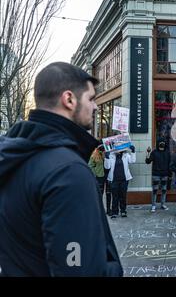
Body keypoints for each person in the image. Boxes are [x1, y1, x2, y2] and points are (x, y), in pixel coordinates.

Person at [0, 62, 122, 276]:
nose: (95, 106)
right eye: (91, 98)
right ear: (69, 99)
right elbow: (77, 269)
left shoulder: (15, 155)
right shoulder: (67, 171)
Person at [104, 146, 136, 218]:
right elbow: (107, 167)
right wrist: (107, 157)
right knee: (114, 196)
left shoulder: (126, 155)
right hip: (113, 180)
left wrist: (133, 152)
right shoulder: (111, 155)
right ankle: (115, 212)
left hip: (124, 179)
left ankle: (123, 211)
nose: (118, 150)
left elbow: (133, 161)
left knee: (123, 196)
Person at [145, 138, 171, 213]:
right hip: (156, 174)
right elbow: (147, 161)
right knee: (155, 190)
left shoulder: (167, 152)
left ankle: (163, 204)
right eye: (161, 142)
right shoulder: (154, 152)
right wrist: (148, 152)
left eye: (163, 142)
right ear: (158, 143)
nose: (162, 143)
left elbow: (169, 164)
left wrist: (170, 174)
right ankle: (153, 205)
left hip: (165, 174)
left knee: (164, 190)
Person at [89, 144, 110, 215]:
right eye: (102, 148)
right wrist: (95, 174)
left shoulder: (108, 153)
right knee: (100, 193)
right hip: (100, 176)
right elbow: (90, 165)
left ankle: (109, 209)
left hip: (108, 175)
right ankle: (99, 210)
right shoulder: (95, 155)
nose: (103, 149)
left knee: (108, 193)